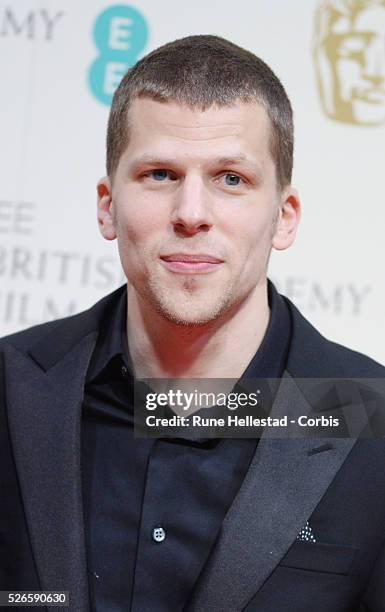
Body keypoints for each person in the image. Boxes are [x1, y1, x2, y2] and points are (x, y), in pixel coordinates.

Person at [1, 34, 385, 612]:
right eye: (159, 174)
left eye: (231, 178)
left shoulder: (369, 421)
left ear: (284, 217)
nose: (191, 214)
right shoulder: (10, 389)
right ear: (107, 205)